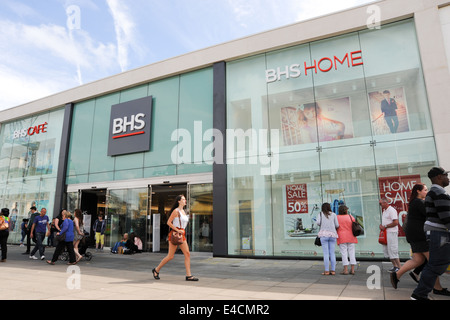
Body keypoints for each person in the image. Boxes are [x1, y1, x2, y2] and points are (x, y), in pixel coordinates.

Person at [390, 183, 448, 294]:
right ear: (418, 191)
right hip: (420, 235)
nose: (427, 192)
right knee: (433, 262)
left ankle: (397, 275)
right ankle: (436, 288)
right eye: (425, 190)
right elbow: (431, 214)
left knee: (418, 260)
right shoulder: (418, 202)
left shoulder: (415, 202)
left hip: (414, 235)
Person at [411, 167, 450, 300]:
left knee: (438, 263)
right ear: (439, 177)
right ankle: (419, 294)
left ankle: (419, 294)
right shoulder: (438, 192)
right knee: (435, 265)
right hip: (439, 233)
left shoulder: (436, 192)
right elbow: (446, 216)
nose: (448, 178)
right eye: (446, 175)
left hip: (438, 233)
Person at [152, 194, 198, 281]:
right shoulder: (176, 211)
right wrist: (178, 230)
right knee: (170, 256)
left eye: (185, 199)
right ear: (179, 201)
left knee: (187, 254)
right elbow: (169, 222)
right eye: (183, 199)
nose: (185, 201)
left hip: (182, 234)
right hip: (175, 234)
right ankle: (156, 270)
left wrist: (182, 230)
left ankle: (189, 275)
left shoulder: (184, 211)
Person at [379, 198, 401, 272]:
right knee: (388, 249)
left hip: (391, 232)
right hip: (386, 232)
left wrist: (385, 226)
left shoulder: (391, 210)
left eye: (380, 203)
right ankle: (395, 266)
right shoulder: (384, 211)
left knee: (393, 249)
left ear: (385, 203)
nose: (380, 205)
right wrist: (382, 226)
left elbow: (395, 222)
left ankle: (399, 267)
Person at [317, 202, 339, 275]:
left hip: (323, 235)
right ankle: (333, 270)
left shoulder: (320, 214)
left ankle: (326, 270)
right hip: (332, 234)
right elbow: (337, 225)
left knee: (326, 253)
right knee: (332, 253)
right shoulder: (333, 214)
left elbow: (318, 223)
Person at [336, 205, 358, 275]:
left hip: (342, 237)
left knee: (344, 253)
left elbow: (336, 226)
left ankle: (345, 270)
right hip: (351, 236)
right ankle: (352, 270)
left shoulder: (337, 217)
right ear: (346, 210)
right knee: (352, 253)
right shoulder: (350, 217)